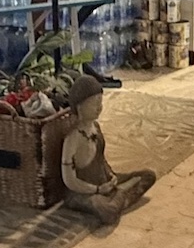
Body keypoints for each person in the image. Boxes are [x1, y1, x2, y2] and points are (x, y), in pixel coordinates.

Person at [59, 74, 156, 223]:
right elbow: (70, 181)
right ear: (79, 107)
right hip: (83, 192)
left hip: (103, 183)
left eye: (101, 102)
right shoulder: (72, 140)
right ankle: (121, 196)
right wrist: (97, 190)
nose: (99, 108)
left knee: (148, 175)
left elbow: (101, 160)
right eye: (94, 103)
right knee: (107, 211)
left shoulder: (95, 128)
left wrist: (111, 176)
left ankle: (118, 197)